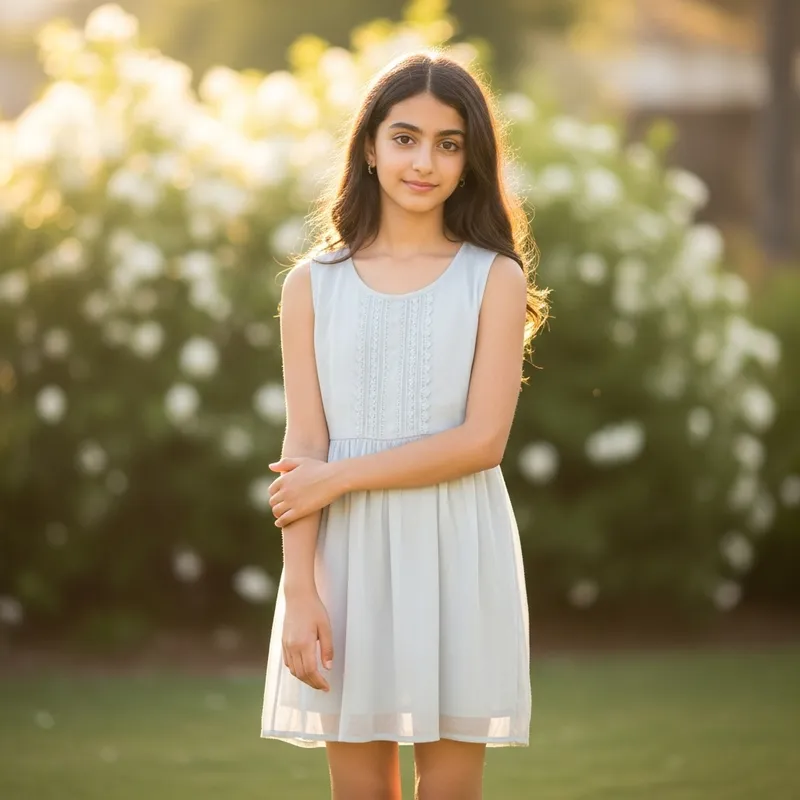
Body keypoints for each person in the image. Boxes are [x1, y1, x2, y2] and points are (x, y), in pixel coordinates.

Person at [260, 49, 549, 800]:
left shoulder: (493, 277)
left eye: (449, 144)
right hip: (343, 559)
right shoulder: (309, 287)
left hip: (458, 546)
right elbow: (303, 449)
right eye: (405, 137)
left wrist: (341, 475)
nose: (425, 161)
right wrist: (301, 592)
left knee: (451, 789)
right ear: (369, 146)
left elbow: (482, 442)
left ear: (471, 159)